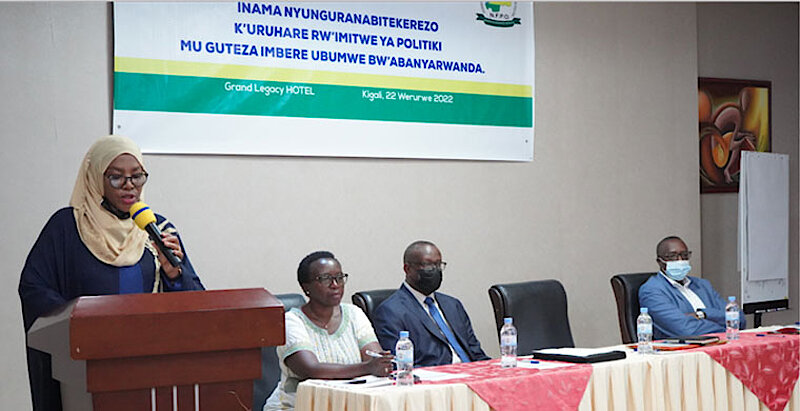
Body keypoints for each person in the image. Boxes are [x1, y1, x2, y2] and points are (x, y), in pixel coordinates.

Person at [18, 135, 205, 411]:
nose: (129, 185)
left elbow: (198, 302)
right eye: (116, 177)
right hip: (87, 370)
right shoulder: (68, 227)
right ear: (96, 179)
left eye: (137, 176)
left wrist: (175, 276)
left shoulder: (158, 229)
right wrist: (80, 324)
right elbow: (34, 289)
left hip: (150, 368)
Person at [264, 251, 393, 410]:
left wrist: (380, 363)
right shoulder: (292, 321)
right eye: (325, 279)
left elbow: (374, 357)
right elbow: (310, 370)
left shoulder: (354, 313)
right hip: (297, 406)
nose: (335, 284)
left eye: (339, 277)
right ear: (306, 287)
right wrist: (368, 367)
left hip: (347, 403)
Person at [372, 240, 489, 367]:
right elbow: (399, 365)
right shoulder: (390, 311)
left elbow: (476, 353)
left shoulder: (453, 305)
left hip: (472, 372)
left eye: (438, 264)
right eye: (427, 265)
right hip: (437, 375)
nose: (435, 270)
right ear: (407, 269)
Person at [639, 236, 745, 339]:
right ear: (660, 261)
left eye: (684, 255)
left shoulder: (703, 285)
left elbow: (739, 318)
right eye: (672, 256)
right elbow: (686, 330)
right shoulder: (652, 291)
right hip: (685, 348)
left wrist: (703, 314)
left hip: (722, 343)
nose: (680, 260)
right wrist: (726, 329)